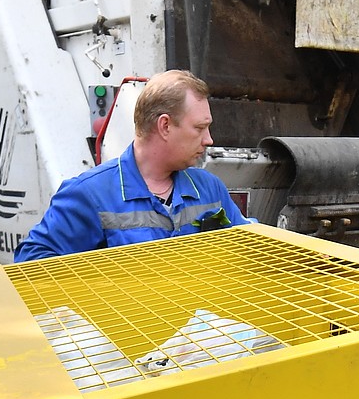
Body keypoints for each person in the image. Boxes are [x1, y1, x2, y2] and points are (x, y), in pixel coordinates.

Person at [14, 70, 251, 262]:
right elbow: (31, 262)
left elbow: (248, 246)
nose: (209, 139)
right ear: (165, 126)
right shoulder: (90, 194)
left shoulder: (209, 189)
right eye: (199, 128)